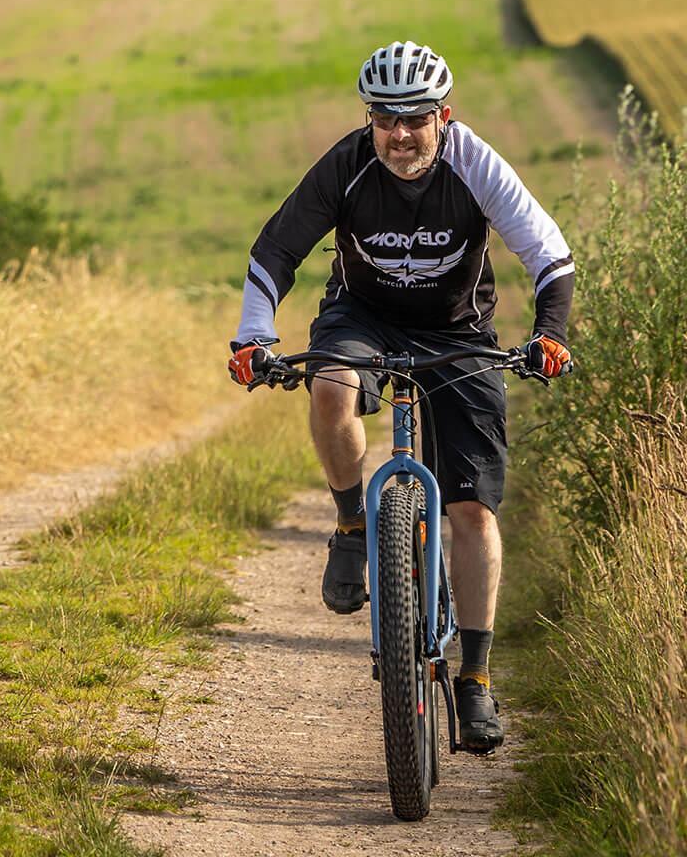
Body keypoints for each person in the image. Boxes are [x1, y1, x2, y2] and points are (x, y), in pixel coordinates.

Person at [227, 40, 575, 753]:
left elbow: (547, 251)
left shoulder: (473, 162)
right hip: (363, 318)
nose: (400, 134)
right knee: (327, 385)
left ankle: (474, 681)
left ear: (442, 116)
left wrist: (549, 334)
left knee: (472, 511)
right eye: (385, 118)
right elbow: (275, 252)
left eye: (415, 118)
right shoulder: (348, 164)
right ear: (370, 120)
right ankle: (354, 526)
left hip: (460, 329)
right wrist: (252, 335)